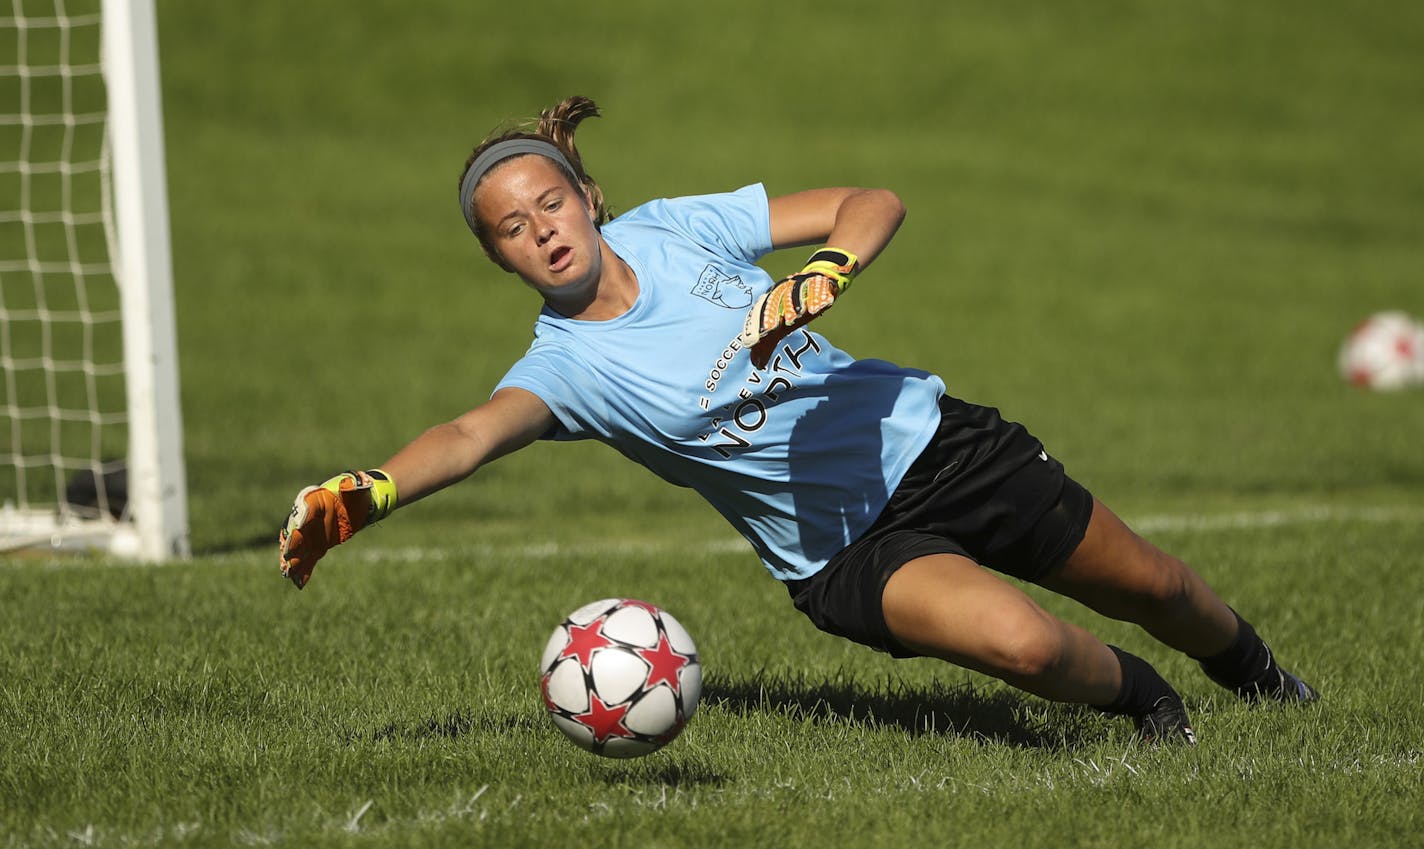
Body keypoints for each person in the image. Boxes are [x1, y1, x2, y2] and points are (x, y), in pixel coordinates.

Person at [278, 95, 1317, 744]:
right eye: (510, 229)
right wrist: (369, 491)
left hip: (933, 445)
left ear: (588, 197)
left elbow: (872, 200)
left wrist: (825, 274)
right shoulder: (565, 369)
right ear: (497, 258)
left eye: (548, 204)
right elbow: (466, 435)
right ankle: (1148, 708)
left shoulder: (677, 229)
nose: (538, 231)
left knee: (1155, 584)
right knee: (1029, 651)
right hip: (843, 551)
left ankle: (1263, 684)